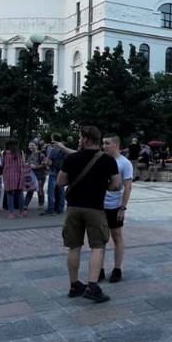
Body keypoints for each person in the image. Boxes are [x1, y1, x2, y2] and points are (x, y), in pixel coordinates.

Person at [58, 126, 121, 303]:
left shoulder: (72, 158)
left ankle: (74, 285)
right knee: (98, 246)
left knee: (74, 246)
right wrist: (102, 185)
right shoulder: (108, 160)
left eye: (80, 137)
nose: (79, 140)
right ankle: (92, 287)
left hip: (73, 208)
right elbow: (116, 185)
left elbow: (60, 182)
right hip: (95, 208)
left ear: (85, 139)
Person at [99, 134, 133, 283]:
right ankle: (99, 269)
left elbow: (128, 187)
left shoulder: (125, 163)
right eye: (103, 143)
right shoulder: (101, 159)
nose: (104, 146)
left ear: (116, 145)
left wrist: (122, 208)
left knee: (116, 237)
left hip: (114, 205)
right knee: (100, 239)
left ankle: (117, 269)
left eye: (107, 143)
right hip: (99, 206)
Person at [42, 133, 67, 216]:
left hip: (53, 172)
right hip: (62, 172)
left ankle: (50, 208)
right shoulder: (64, 149)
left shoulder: (53, 149)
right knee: (61, 191)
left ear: (53, 139)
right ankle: (60, 208)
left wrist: (45, 161)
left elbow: (48, 161)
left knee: (51, 191)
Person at [2, 138, 26, 218]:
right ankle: (22, 211)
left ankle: (11, 213)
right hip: (19, 174)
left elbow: (3, 163)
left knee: (9, 193)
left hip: (8, 174)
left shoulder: (4, 152)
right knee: (19, 192)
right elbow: (23, 163)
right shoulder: (20, 152)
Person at [24, 141, 46, 211]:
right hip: (30, 175)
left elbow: (45, 164)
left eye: (32, 145)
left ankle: (41, 204)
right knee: (30, 189)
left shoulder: (41, 155)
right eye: (30, 145)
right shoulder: (28, 155)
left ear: (37, 146)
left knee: (40, 190)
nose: (31, 147)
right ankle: (25, 205)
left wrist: (36, 167)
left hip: (40, 175)